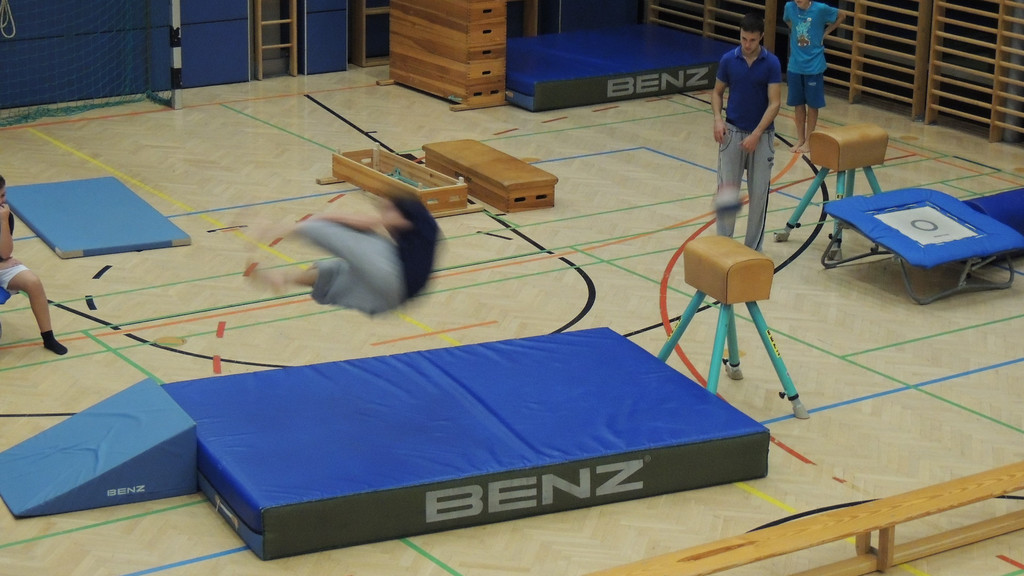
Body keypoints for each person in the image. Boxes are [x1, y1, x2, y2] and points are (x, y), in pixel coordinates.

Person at [248, 191, 440, 315]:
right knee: (335, 271)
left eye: (387, 209)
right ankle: (284, 278)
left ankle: (277, 229)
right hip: (394, 298)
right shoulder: (419, 231)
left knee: (360, 237)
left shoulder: (417, 219)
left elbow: (364, 224)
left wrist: (319, 218)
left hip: (395, 279)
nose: (383, 213)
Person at [711, 12, 782, 252]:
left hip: (762, 138)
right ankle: (723, 246)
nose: (747, 44)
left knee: (759, 195)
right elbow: (717, 92)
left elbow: (775, 103)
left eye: (752, 40)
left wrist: (756, 134)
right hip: (731, 133)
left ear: (761, 37)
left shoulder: (771, 63)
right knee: (727, 194)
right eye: (743, 39)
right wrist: (718, 119)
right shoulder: (728, 60)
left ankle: (753, 250)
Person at [0, 174, 68, 355]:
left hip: (3, 265)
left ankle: (48, 338)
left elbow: (5, 253)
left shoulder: (5, 215)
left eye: (3, 195)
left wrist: (3, 221)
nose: (3, 201)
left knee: (33, 282)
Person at [784, 0, 844, 154]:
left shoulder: (820, 9)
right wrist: (796, 32)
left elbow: (842, 15)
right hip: (795, 65)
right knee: (798, 104)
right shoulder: (789, 7)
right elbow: (788, 20)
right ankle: (800, 139)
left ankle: (809, 141)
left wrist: (825, 33)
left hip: (814, 65)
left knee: (812, 104)